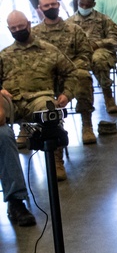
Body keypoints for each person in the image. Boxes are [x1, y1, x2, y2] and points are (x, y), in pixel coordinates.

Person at [1, 10, 83, 183]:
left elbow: (72, 73)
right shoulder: (4, 55)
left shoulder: (49, 50)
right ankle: (10, 178)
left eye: (21, 26)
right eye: (13, 28)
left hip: (39, 100)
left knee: (49, 111)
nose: (17, 30)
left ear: (29, 25)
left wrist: (66, 94)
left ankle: (55, 160)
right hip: (11, 102)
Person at [34, 0, 96, 144]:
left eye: (53, 4)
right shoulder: (34, 34)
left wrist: (69, 70)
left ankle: (87, 124)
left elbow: (85, 54)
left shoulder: (73, 30)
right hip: (46, 77)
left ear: (58, 5)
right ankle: (42, 128)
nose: (50, 7)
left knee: (83, 76)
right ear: (40, 8)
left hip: (72, 74)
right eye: (46, 5)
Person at [68, 0, 117, 115]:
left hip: (101, 51)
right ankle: (83, 102)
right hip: (79, 54)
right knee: (76, 68)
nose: (84, 7)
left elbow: (115, 38)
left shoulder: (103, 19)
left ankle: (108, 95)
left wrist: (97, 44)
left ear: (94, 4)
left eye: (88, 5)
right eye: (82, 4)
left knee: (98, 60)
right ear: (77, 1)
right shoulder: (69, 23)